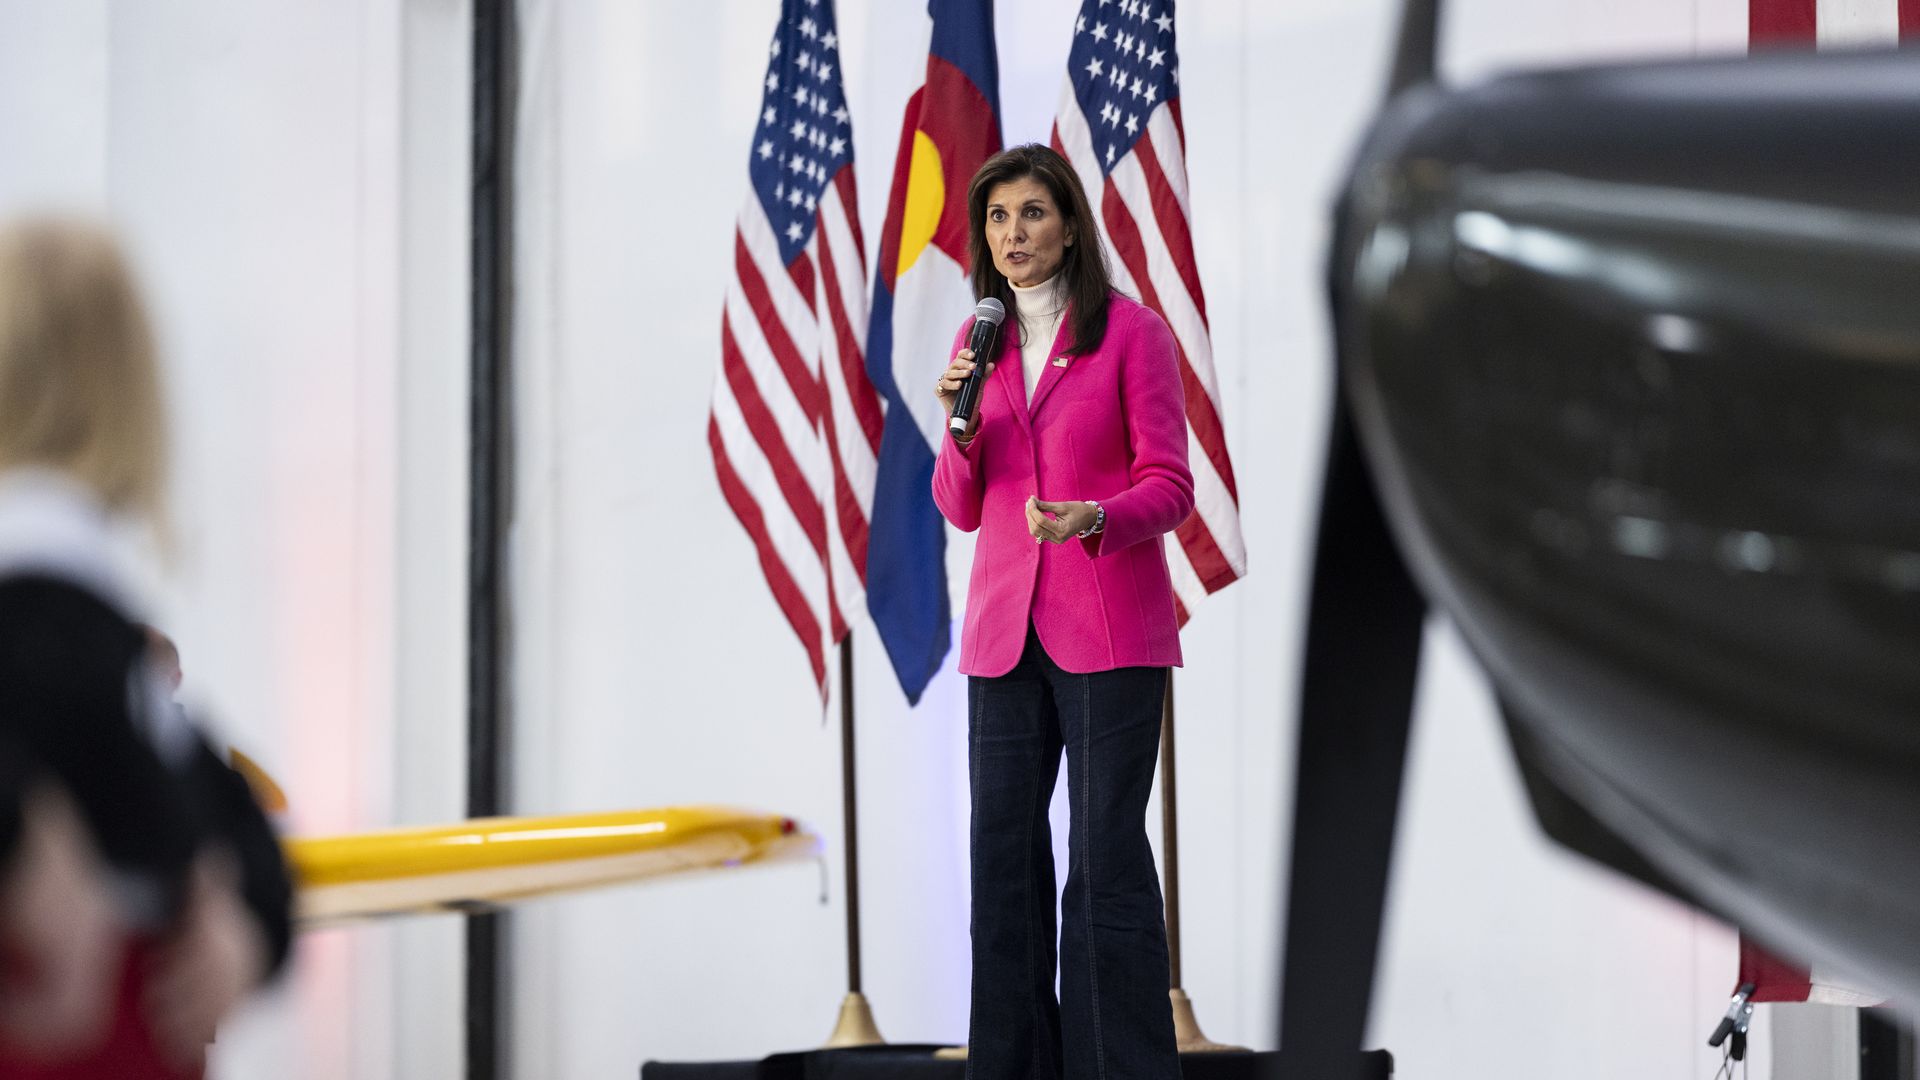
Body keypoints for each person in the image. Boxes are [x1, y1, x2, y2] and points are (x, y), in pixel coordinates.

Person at [0, 218, 292, 1078]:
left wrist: (246, 930)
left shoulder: (97, 617)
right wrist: (22, 839)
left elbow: (227, 805)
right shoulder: (48, 592)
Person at [932, 144, 1194, 1079]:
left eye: (1032, 214)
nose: (1014, 235)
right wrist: (958, 430)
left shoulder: (1133, 335)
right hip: (1002, 637)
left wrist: (1097, 517)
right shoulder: (978, 347)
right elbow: (959, 505)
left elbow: (1171, 488)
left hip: (1111, 635)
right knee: (1002, 866)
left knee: (1104, 863)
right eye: (998, 218)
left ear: (1071, 223)